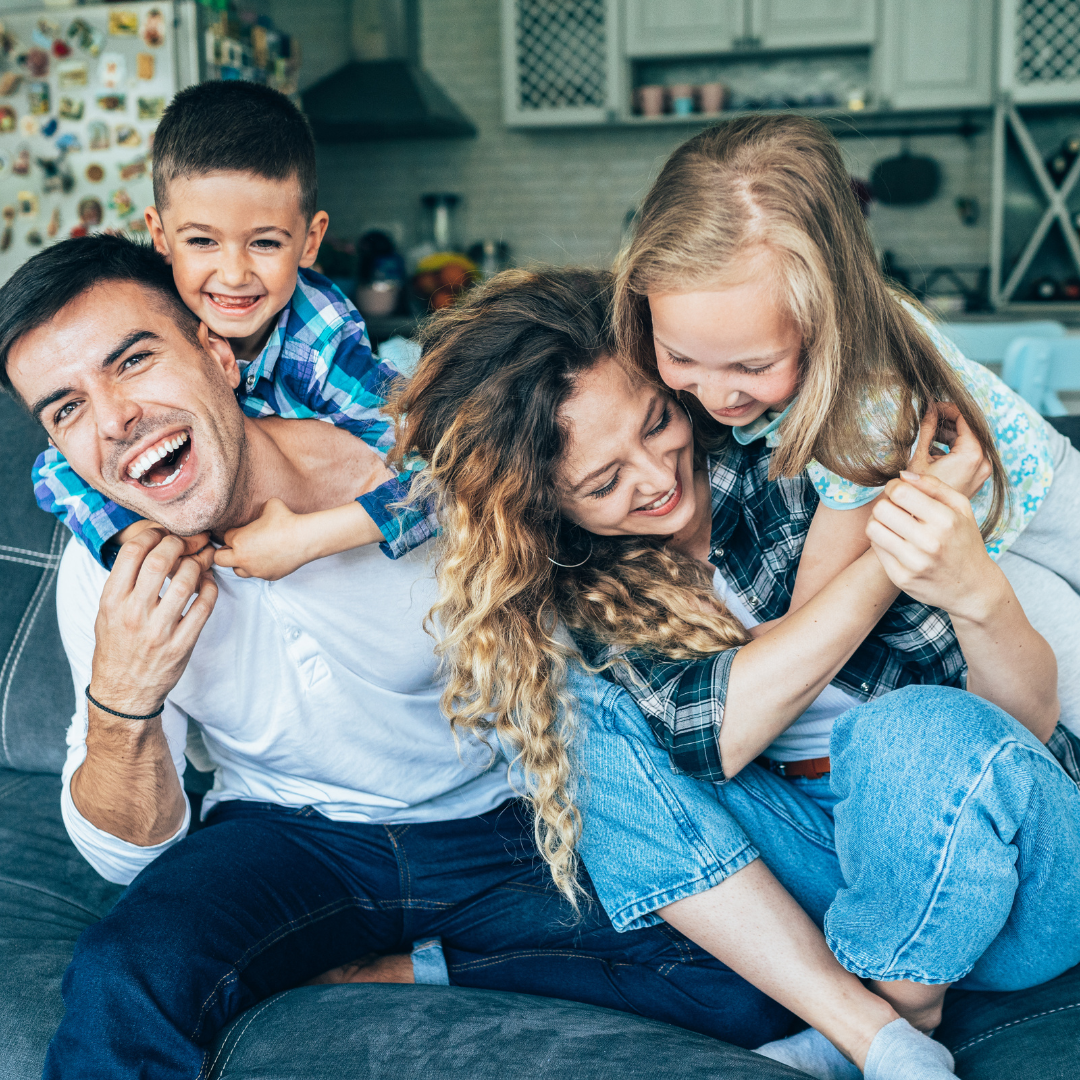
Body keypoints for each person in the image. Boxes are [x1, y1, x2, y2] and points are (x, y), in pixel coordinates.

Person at [0, 235, 806, 1080]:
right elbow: (126, 858)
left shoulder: (415, 471)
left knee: (749, 981)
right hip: (288, 837)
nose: (114, 417)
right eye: (67, 409)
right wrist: (123, 697)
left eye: (132, 362)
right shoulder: (109, 566)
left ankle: (409, 965)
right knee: (124, 977)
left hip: (502, 823)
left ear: (216, 353)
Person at [387, 267, 1080, 1080]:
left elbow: (1012, 731)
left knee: (906, 731)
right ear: (545, 509)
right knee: (567, 711)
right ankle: (872, 1034)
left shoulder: (798, 457)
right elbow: (715, 734)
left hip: (1008, 868)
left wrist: (920, 545)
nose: (654, 479)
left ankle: (890, 1010)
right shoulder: (592, 589)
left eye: (655, 423)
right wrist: (887, 563)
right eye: (602, 483)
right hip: (829, 873)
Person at [612, 114, 1080, 729]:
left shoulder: (864, 404)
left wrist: (731, 653)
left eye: (752, 366)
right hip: (981, 530)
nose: (717, 395)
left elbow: (812, 614)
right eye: (679, 357)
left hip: (1035, 499)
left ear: (826, 317)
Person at [31, 79, 432, 579]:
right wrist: (137, 534)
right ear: (161, 236)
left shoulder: (320, 339)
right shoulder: (151, 319)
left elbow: (441, 479)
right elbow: (55, 470)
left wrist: (306, 538)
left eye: (264, 244)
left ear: (310, 243)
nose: (234, 274)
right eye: (201, 241)